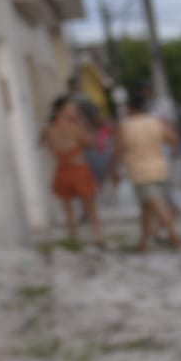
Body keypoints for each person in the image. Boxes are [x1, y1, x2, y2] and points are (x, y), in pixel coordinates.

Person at [115, 86, 181, 252]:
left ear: (130, 108)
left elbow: (118, 150)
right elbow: (173, 140)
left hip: (140, 172)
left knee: (157, 206)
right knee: (146, 208)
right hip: (159, 169)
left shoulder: (126, 126)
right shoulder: (155, 122)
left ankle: (175, 238)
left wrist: (113, 169)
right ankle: (143, 243)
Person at [42, 95, 104, 248]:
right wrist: (83, 124)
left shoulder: (48, 128)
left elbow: (45, 144)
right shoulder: (75, 127)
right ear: (62, 110)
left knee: (67, 207)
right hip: (78, 168)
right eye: (72, 107)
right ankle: (97, 236)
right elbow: (91, 143)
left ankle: (73, 236)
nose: (75, 110)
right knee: (90, 205)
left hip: (62, 167)